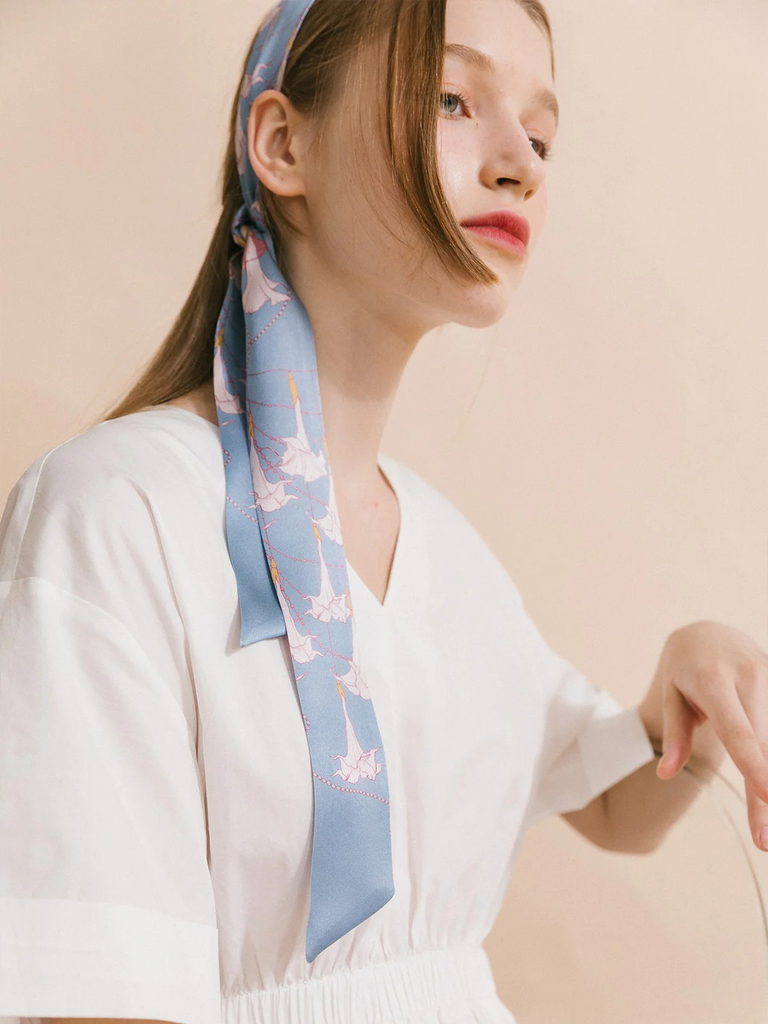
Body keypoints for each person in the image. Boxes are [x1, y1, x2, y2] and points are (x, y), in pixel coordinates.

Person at [3, 0, 765, 1022]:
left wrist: (695, 690)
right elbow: (99, 987)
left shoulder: (453, 555)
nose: (521, 165)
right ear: (284, 144)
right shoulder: (116, 513)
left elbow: (618, 807)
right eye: (452, 100)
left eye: (541, 136)